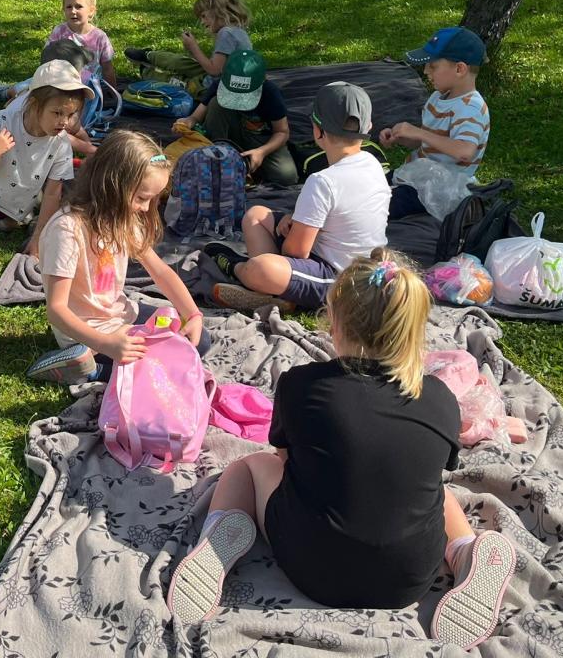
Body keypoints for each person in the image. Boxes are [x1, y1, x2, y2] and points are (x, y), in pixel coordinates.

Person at [166, 250, 516, 652]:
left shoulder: (301, 385)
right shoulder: (440, 398)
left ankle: (215, 544)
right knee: (438, 492)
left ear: (334, 322)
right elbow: (435, 468)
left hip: (311, 569)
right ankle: (466, 552)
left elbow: (284, 460)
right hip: (409, 576)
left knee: (249, 467)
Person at [24, 130, 209, 385]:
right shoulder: (67, 230)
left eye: (151, 199)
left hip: (120, 317)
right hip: (88, 335)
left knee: (199, 341)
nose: (146, 208)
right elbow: (57, 310)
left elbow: (160, 271)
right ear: (113, 185)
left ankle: (96, 368)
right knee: (157, 370)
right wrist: (107, 344)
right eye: (142, 198)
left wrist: (193, 314)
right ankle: (85, 368)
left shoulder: (122, 219)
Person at [209, 81, 390, 313]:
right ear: (368, 127)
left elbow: (296, 252)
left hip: (340, 279)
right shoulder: (372, 164)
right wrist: (296, 220)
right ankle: (277, 292)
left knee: (261, 268)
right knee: (256, 215)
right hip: (363, 265)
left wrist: (296, 231)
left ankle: (237, 267)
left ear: (317, 130)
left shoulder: (323, 181)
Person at [0, 60, 91, 256]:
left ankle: (10, 219)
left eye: (71, 114)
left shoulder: (60, 144)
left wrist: (37, 240)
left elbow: (53, 194)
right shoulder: (4, 121)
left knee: (6, 222)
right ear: (35, 104)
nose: (65, 122)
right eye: (57, 113)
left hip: (12, 206)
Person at [381, 27, 490, 220]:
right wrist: (401, 137)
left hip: (442, 189)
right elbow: (427, 142)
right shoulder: (438, 97)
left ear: (460, 69)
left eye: (433, 66)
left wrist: (419, 133)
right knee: (370, 186)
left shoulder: (471, 108)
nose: (425, 71)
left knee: (378, 206)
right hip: (419, 176)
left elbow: (464, 151)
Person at [167, 49, 297, 186]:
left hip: (259, 139)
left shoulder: (270, 92)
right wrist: (187, 122)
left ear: (262, 81)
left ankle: (243, 165)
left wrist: (262, 152)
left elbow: (282, 132)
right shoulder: (219, 85)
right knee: (215, 103)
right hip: (228, 133)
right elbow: (195, 117)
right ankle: (215, 154)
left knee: (287, 177)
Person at [0, 0, 116, 103]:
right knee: (28, 88)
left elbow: (107, 67)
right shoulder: (60, 31)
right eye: (69, 7)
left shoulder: (99, 37)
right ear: (63, 9)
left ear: (91, 11)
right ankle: (7, 92)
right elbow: (47, 59)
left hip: (87, 86)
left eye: (78, 6)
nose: (73, 11)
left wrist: (113, 94)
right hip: (57, 80)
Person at [125, 0, 252, 91]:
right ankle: (148, 56)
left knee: (179, 82)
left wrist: (193, 48)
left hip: (212, 88)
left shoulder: (226, 34)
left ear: (218, 10)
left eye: (203, 16)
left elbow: (214, 71)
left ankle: (147, 72)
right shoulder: (237, 31)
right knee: (183, 63)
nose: (202, 22)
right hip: (216, 78)